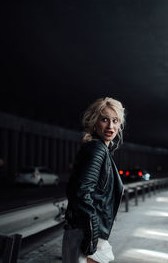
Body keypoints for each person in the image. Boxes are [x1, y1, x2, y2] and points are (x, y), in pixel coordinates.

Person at [62, 97, 125, 263]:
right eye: (104, 119)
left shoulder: (100, 149)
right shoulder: (97, 149)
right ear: (94, 122)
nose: (110, 126)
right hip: (85, 233)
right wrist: (92, 233)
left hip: (85, 231)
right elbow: (81, 192)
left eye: (115, 120)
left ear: (119, 125)